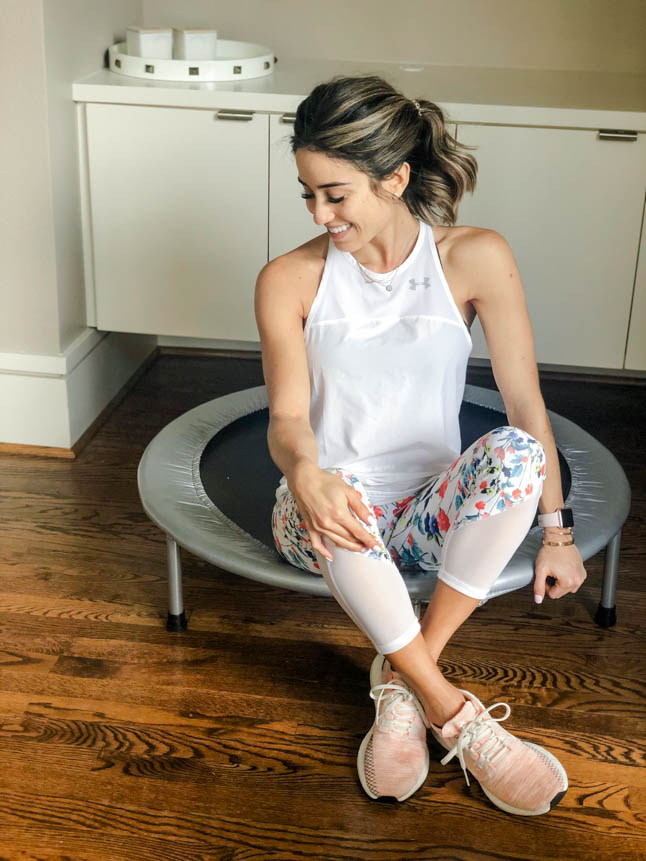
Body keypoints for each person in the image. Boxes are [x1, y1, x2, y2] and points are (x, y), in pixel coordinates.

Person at [254, 74, 587, 814]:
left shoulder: (474, 256)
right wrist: (304, 471)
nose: (319, 212)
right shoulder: (288, 278)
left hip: (429, 511)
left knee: (518, 452)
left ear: (395, 177)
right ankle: (455, 713)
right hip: (323, 508)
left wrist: (557, 532)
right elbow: (286, 419)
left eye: (335, 193)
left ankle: (402, 680)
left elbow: (525, 401)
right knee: (333, 502)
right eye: (307, 193)